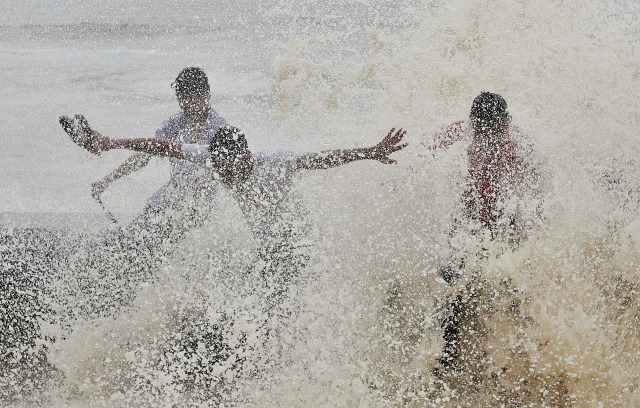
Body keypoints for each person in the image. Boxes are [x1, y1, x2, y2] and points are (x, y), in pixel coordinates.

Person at [59, 115, 407, 321]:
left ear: (246, 155)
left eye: (231, 167)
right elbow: (159, 146)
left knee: (281, 296)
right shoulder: (212, 157)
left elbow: (320, 159)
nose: (225, 175)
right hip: (267, 245)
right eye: (219, 168)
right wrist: (108, 142)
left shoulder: (272, 162)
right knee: (259, 296)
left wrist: (369, 152)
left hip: (297, 241)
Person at [426, 92, 542, 373]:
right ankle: (447, 354)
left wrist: (531, 223)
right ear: (472, 125)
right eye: (481, 130)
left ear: (506, 124)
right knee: (451, 286)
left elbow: (538, 186)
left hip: (505, 223)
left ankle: (518, 359)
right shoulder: (456, 135)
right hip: (466, 222)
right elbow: (423, 156)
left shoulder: (520, 144)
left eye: (494, 130)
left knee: (511, 284)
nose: (487, 136)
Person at [91, 67, 228, 237]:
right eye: (181, 99)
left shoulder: (221, 129)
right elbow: (145, 154)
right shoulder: (175, 123)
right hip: (169, 197)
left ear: (205, 96)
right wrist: (107, 180)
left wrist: (193, 195)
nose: (185, 105)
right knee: (132, 237)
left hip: (201, 206)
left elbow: (220, 171)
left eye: (190, 99)